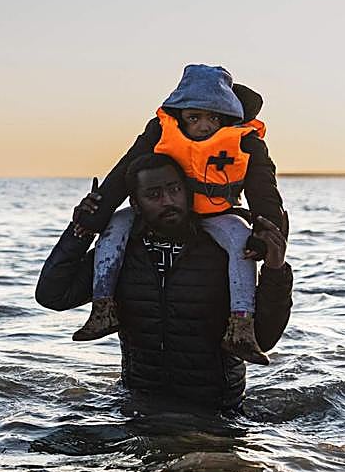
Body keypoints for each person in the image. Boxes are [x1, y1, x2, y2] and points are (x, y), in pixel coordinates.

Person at [36, 153, 292, 411]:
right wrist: (81, 230)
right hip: (137, 405)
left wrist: (275, 270)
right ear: (135, 203)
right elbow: (53, 295)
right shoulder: (119, 253)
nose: (168, 201)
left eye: (175, 190)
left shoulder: (225, 250)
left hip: (217, 411)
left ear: (188, 191)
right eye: (154, 195)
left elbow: (264, 338)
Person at [71, 64, 286, 365]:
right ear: (180, 114)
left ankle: (241, 328)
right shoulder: (160, 130)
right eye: (194, 117)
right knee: (115, 226)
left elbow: (266, 193)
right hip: (166, 212)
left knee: (240, 241)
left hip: (219, 215)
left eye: (213, 117)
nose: (204, 126)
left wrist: (269, 238)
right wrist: (90, 219)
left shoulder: (245, 141)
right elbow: (123, 174)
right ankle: (103, 309)